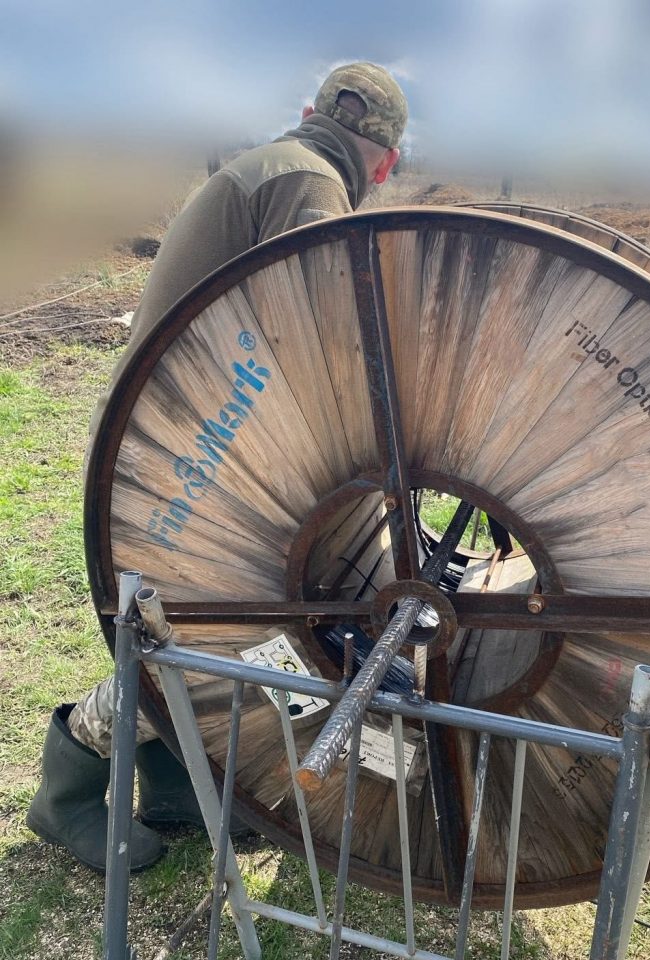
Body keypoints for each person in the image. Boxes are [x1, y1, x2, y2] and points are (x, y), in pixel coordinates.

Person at [26, 62, 408, 872]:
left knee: (194, 624)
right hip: (175, 454)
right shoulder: (309, 185)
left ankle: (173, 788)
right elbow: (315, 338)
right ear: (386, 163)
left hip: (164, 436)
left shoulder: (275, 164)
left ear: (309, 111)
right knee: (208, 633)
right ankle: (66, 792)